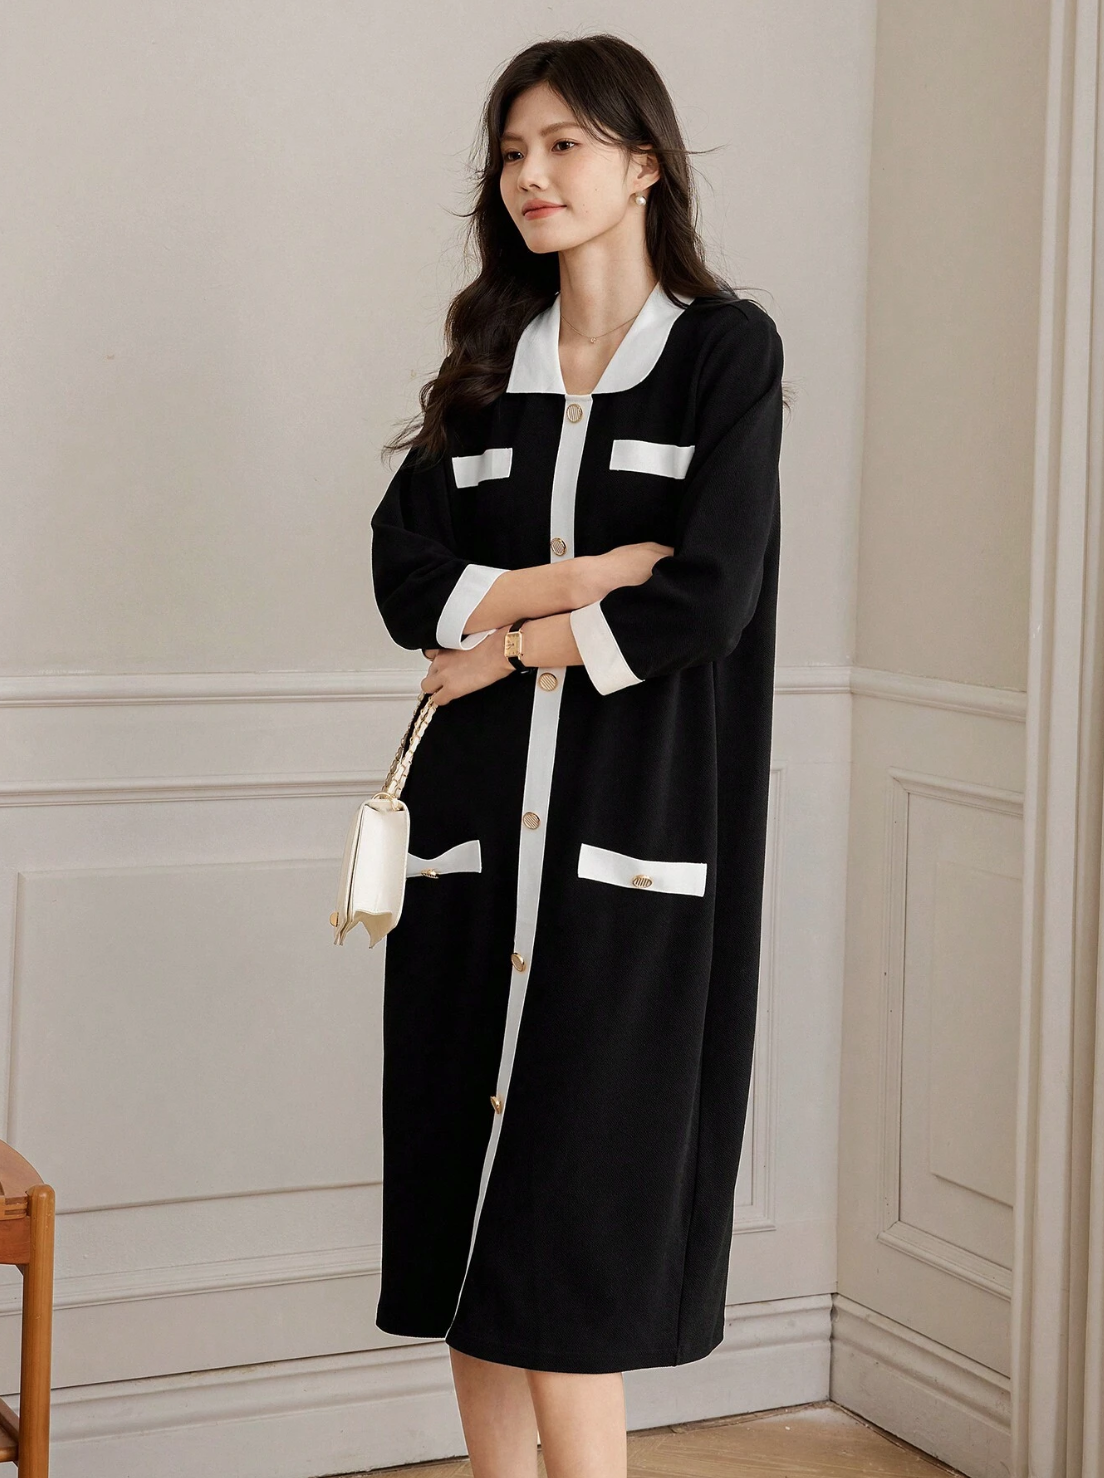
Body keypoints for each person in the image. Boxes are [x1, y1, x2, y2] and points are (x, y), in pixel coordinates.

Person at [369, 32, 788, 1478]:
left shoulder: (724, 352)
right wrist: (590, 575)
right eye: (511, 151)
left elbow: (711, 596)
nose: (530, 175)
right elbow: (404, 577)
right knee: (470, 1223)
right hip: (474, 843)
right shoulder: (491, 366)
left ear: (644, 163)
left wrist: (515, 641)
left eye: (563, 145)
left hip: (631, 852)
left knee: (568, 1236)